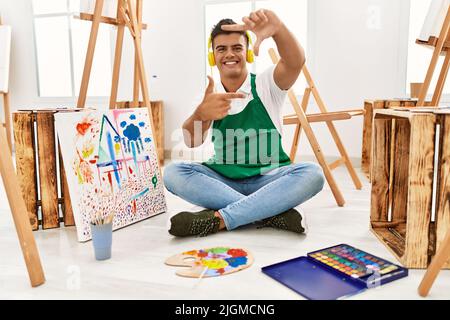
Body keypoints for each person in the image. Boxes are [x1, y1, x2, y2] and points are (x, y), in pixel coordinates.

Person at [164, 9, 325, 237]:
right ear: (213, 56)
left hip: (270, 179)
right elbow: (191, 142)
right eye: (221, 49)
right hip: (223, 181)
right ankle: (271, 212)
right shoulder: (207, 94)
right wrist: (201, 114)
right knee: (173, 173)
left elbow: (295, 62)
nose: (230, 54)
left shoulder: (266, 84)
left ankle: (221, 219)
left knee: (313, 173)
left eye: (237, 48)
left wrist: (278, 30)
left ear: (248, 53)